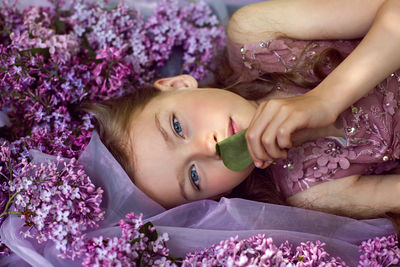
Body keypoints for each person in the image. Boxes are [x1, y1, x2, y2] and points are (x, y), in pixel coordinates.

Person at [85, 0, 400, 221]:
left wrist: (326, 100)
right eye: (194, 176)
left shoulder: (255, 34)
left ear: (177, 84)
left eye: (178, 127)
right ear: (216, 198)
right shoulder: (312, 194)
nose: (209, 148)